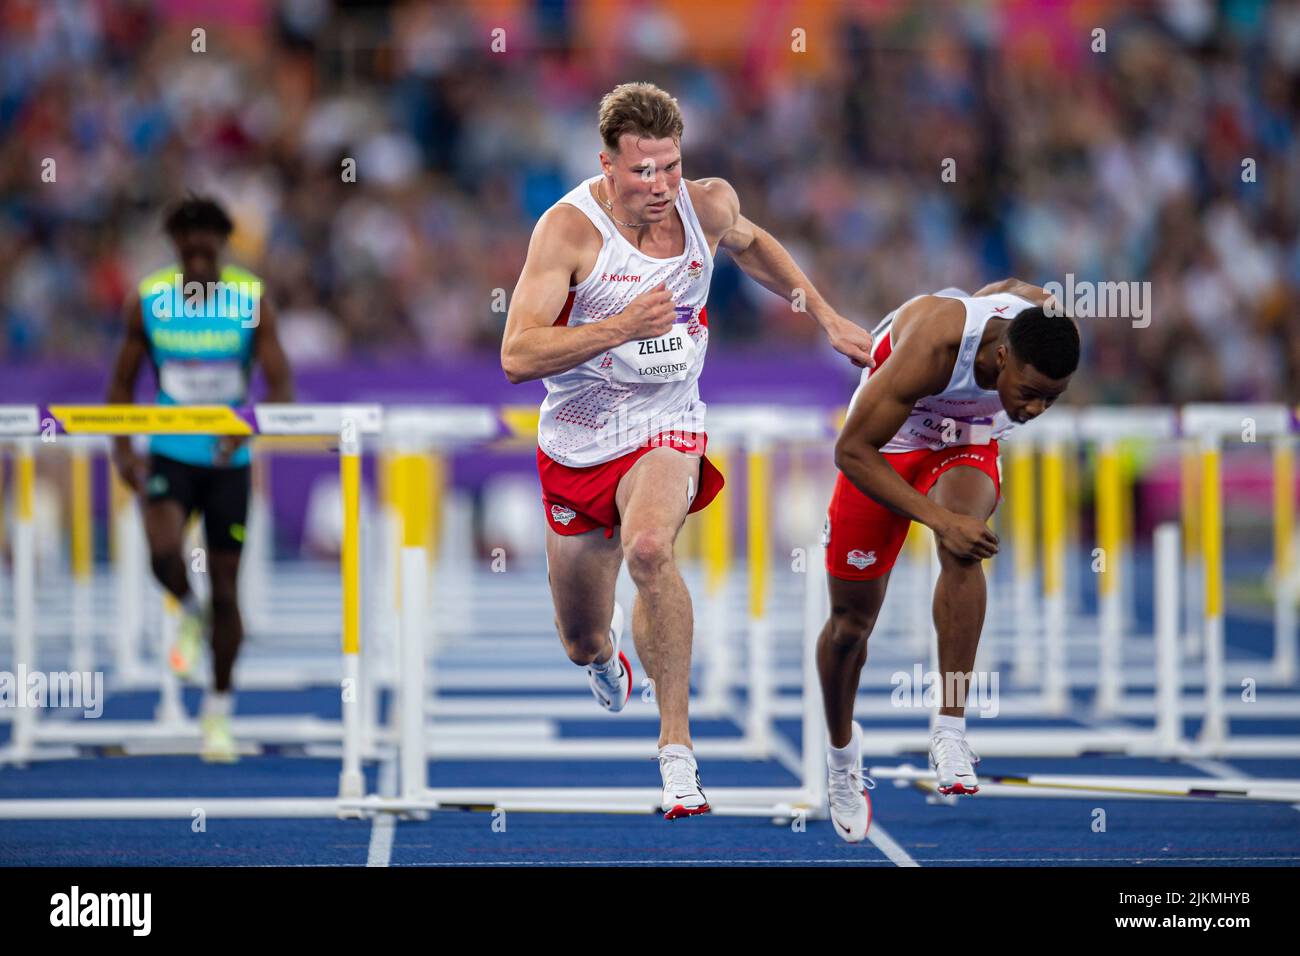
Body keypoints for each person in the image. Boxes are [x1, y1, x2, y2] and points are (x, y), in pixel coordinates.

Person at [500, 82, 874, 819]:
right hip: (577, 441)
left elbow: (755, 244)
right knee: (580, 637)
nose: (660, 186)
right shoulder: (567, 232)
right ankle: (607, 662)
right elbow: (516, 354)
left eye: (670, 166)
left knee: (648, 550)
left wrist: (825, 316)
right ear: (606, 165)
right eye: (642, 172)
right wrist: (619, 326)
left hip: (667, 422)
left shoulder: (704, 204)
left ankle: (677, 755)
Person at [819, 279, 1079, 842]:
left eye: (1050, 400)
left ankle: (950, 726)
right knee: (849, 627)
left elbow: (1008, 288)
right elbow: (850, 451)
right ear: (1001, 355)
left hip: (966, 435)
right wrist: (936, 518)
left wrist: (951, 525)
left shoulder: (1051, 325)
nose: (1034, 410)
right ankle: (842, 760)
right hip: (885, 444)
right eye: (1030, 392)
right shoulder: (934, 345)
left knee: (966, 545)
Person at [107, 195, 293, 762]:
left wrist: (249, 429)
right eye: (187, 252)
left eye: (207, 251)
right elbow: (121, 385)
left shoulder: (250, 299)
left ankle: (217, 714)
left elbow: (281, 386)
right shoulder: (151, 301)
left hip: (226, 465)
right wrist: (121, 448)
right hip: (168, 453)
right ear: (175, 251)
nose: (197, 262)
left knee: (230, 590)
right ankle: (192, 611)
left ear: (223, 248)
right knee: (162, 553)